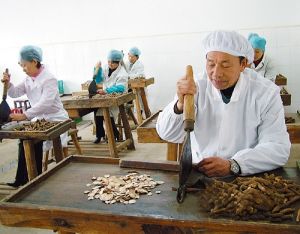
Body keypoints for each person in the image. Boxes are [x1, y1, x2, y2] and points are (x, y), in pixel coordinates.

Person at [156, 31, 290, 177]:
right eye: (211, 64)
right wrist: (179, 106)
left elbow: (277, 147)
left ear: (243, 64)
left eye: (225, 65)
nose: (216, 73)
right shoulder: (195, 86)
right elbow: (167, 133)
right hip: (200, 174)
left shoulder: (265, 93)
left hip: (247, 177)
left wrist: (235, 164)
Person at [2, 45, 69, 187]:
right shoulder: (28, 79)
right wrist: (8, 84)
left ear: (34, 61)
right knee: (25, 139)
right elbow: (15, 93)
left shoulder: (48, 78)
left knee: (35, 139)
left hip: (55, 118)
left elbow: (46, 103)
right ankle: (22, 180)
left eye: (24, 65)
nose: (23, 69)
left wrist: (24, 115)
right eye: (21, 66)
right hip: (39, 118)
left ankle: (36, 179)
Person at [93, 49, 128, 144]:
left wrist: (106, 91)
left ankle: (114, 134)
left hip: (117, 98)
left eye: (113, 63)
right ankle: (99, 135)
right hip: (105, 97)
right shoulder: (105, 68)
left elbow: (121, 87)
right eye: (109, 62)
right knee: (97, 113)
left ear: (118, 62)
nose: (110, 64)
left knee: (108, 115)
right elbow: (99, 80)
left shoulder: (122, 73)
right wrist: (97, 69)